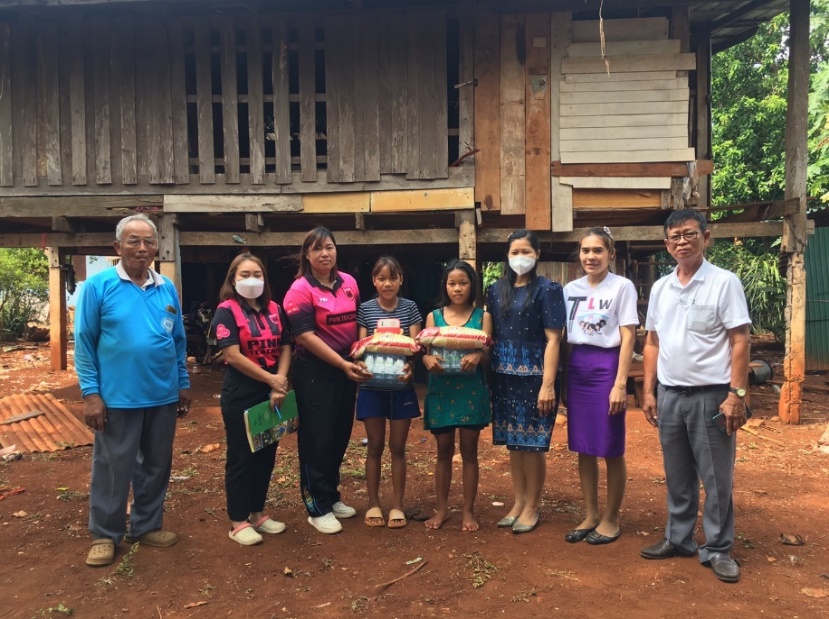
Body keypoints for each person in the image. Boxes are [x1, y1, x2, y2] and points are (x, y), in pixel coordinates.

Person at [640, 210, 751, 584]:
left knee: (716, 477)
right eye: (674, 237)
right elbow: (652, 340)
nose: (682, 242)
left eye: (689, 234)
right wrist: (649, 389)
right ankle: (679, 538)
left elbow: (740, 339)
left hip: (712, 397)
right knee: (677, 474)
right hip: (670, 394)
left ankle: (718, 547)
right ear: (666, 245)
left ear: (707, 237)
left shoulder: (724, 283)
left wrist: (736, 394)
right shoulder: (660, 288)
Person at [74, 214, 190, 567]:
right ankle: (105, 534)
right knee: (113, 467)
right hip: (118, 397)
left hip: (162, 394)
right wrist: (91, 394)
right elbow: (84, 342)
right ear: (117, 247)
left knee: (156, 465)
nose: (142, 249)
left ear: (157, 247)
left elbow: (178, 339)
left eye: (149, 242)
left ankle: (146, 525)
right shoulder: (99, 287)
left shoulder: (166, 287)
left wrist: (182, 382)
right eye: (134, 241)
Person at [283, 226, 367, 534]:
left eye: (329, 247)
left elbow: (359, 321)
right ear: (307, 254)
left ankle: (331, 495)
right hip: (315, 373)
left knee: (339, 434)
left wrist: (356, 357)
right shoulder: (299, 290)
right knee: (316, 439)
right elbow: (305, 336)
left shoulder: (350, 283)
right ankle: (316, 506)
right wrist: (343, 364)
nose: (324, 253)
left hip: (346, 370)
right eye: (317, 249)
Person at [563, 227, 638, 545]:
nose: (590, 256)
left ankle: (611, 517)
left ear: (611, 254)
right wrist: (563, 379)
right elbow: (564, 337)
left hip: (608, 366)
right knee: (583, 445)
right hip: (577, 365)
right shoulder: (569, 289)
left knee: (609, 445)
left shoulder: (622, 287)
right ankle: (591, 513)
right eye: (585, 251)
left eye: (597, 250)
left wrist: (621, 383)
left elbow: (629, 335)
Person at [487, 230, 565, 534]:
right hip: (503, 376)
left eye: (526, 251)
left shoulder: (548, 289)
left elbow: (554, 339)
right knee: (514, 444)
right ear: (507, 256)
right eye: (514, 252)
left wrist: (548, 384)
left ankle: (533, 505)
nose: (520, 257)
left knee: (532, 444)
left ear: (537, 254)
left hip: (535, 377)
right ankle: (518, 502)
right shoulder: (496, 290)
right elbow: (489, 334)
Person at [211, 253, 292, 546]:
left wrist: (278, 383)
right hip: (241, 392)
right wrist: (272, 379)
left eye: (256, 273)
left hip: (272, 392)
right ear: (233, 279)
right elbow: (232, 355)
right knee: (241, 457)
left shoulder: (275, 309)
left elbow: (285, 346)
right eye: (244, 274)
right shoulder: (226, 311)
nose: (251, 279)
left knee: (266, 453)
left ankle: (258, 512)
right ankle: (238, 520)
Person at [422, 260, 492, 532]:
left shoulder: (482, 317)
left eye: (463, 282)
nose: (458, 288)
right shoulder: (433, 317)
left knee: (470, 452)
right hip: (441, 390)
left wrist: (478, 355)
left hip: (471, 392)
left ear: (472, 285)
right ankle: (441, 510)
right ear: (445, 286)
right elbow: (424, 351)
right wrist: (426, 359)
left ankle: (468, 511)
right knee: (442, 452)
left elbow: (487, 353)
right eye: (452, 283)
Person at [356, 256, 422, 530]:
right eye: (381, 278)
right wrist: (359, 364)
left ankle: (397, 505)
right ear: (374, 281)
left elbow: (416, 348)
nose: (387, 283)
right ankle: (373, 503)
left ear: (400, 280)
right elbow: (360, 347)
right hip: (371, 387)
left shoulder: (410, 309)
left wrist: (411, 367)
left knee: (397, 447)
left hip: (401, 388)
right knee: (374, 446)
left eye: (392, 278)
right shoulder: (366, 310)